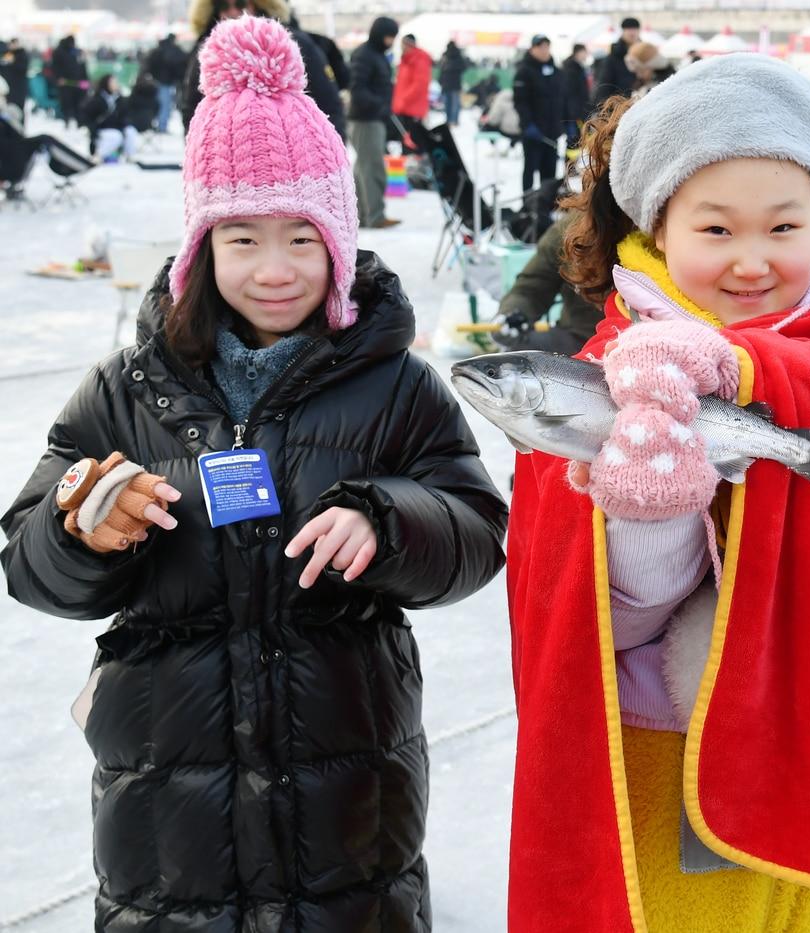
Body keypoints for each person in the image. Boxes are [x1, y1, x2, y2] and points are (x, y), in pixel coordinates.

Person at [0, 18, 507, 931]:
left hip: (347, 790)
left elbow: (474, 529)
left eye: (301, 240)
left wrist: (386, 520)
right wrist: (81, 528)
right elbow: (30, 558)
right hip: (168, 801)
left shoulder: (395, 385)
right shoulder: (125, 389)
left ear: (340, 247)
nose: (275, 271)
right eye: (241, 239)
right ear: (199, 249)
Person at [508, 53, 810, 932]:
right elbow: (598, 626)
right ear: (658, 224)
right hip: (670, 761)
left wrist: (748, 368)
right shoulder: (605, 372)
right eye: (716, 230)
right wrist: (652, 515)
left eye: (784, 227)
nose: (754, 262)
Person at [180, 0, 344, 140]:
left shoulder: (293, 43)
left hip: (293, 158)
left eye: (241, 2)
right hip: (224, 161)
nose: (233, 11)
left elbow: (327, 103)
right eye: (222, 4)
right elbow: (192, 110)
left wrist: (327, 154)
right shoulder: (206, 51)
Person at [494, 211, 603, 354]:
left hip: (635, 339)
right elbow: (531, 288)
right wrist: (514, 313)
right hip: (578, 341)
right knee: (520, 355)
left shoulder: (641, 228)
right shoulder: (569, 231)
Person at [348, 16, 400, 229]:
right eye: (389, 36)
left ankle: (361, 215)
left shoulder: (377, 55)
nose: (391, 41)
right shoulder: (365, 55)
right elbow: (357, 88)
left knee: (363, 168)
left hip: (373, 118)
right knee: (372, 168)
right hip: (366, 119)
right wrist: (379, 105)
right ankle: (375, 216)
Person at [514, 34, 565, 194]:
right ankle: (527, 204)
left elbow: (561, 98)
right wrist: (527, 124)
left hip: (551, 132)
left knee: (549, 171)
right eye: (540, 47)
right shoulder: (524, 71)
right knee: (530, 169)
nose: (544, 51)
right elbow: (520, 101)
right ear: (532, 49)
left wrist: (563, 123)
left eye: (546, 47)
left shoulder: (555, 71)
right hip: (533, 132)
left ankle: (546, 206)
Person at [80, 74, 140, 160]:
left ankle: (130, 156)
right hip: (101, 129)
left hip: (117, 127)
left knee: (131, 131)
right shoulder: (97, 99)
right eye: (113, 82)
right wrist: (92, 128)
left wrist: (125, 123)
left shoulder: (120, 99)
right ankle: (98, 156)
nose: (116, 84)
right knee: (116, 136)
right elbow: (87, 115)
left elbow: (125, 115)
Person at [591, 15, 640, 112]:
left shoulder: (644, 53)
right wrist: (605, 109)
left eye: (634, 29)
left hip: (641, 104)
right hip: (619, 107)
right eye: (628, 29)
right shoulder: (613, 56)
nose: (632, 32)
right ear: (623, 31)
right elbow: (604, 85)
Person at [143, 33, 186, 133]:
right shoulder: (173, 50)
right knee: (166, 105)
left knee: (162, 105)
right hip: (167, 82)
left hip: (158, 81)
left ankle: (161, 125)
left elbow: (149, 64)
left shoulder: (159, 49)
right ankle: (162, 126)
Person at [51, 34, 88, 128]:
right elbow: (55, 67)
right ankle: (68, 121)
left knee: (78, 103)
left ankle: (78, 123)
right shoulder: (59, 52)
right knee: (68, 104)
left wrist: (86, 81)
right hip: (66, 82)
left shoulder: (77, 52)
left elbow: (82, 66)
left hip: (77, 83)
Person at [561, 43, 591, 146]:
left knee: (578, 141)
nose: (586, 55)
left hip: (579, 112)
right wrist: (575, 114)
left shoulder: (579, 68)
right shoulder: (571, 69)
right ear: (577, 53)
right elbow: (570, 94)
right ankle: (571, 162)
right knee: (574, 142)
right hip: (574, 114)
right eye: (584, 52)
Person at [438, 39, 466, 126]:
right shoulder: (458, 56)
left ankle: (449, 120)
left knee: (448, 104)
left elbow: (441, 70)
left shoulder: (445, 56)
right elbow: (464, 67)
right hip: (455, 84)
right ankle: (453, 121)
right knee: (454, 104)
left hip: (447, 84)